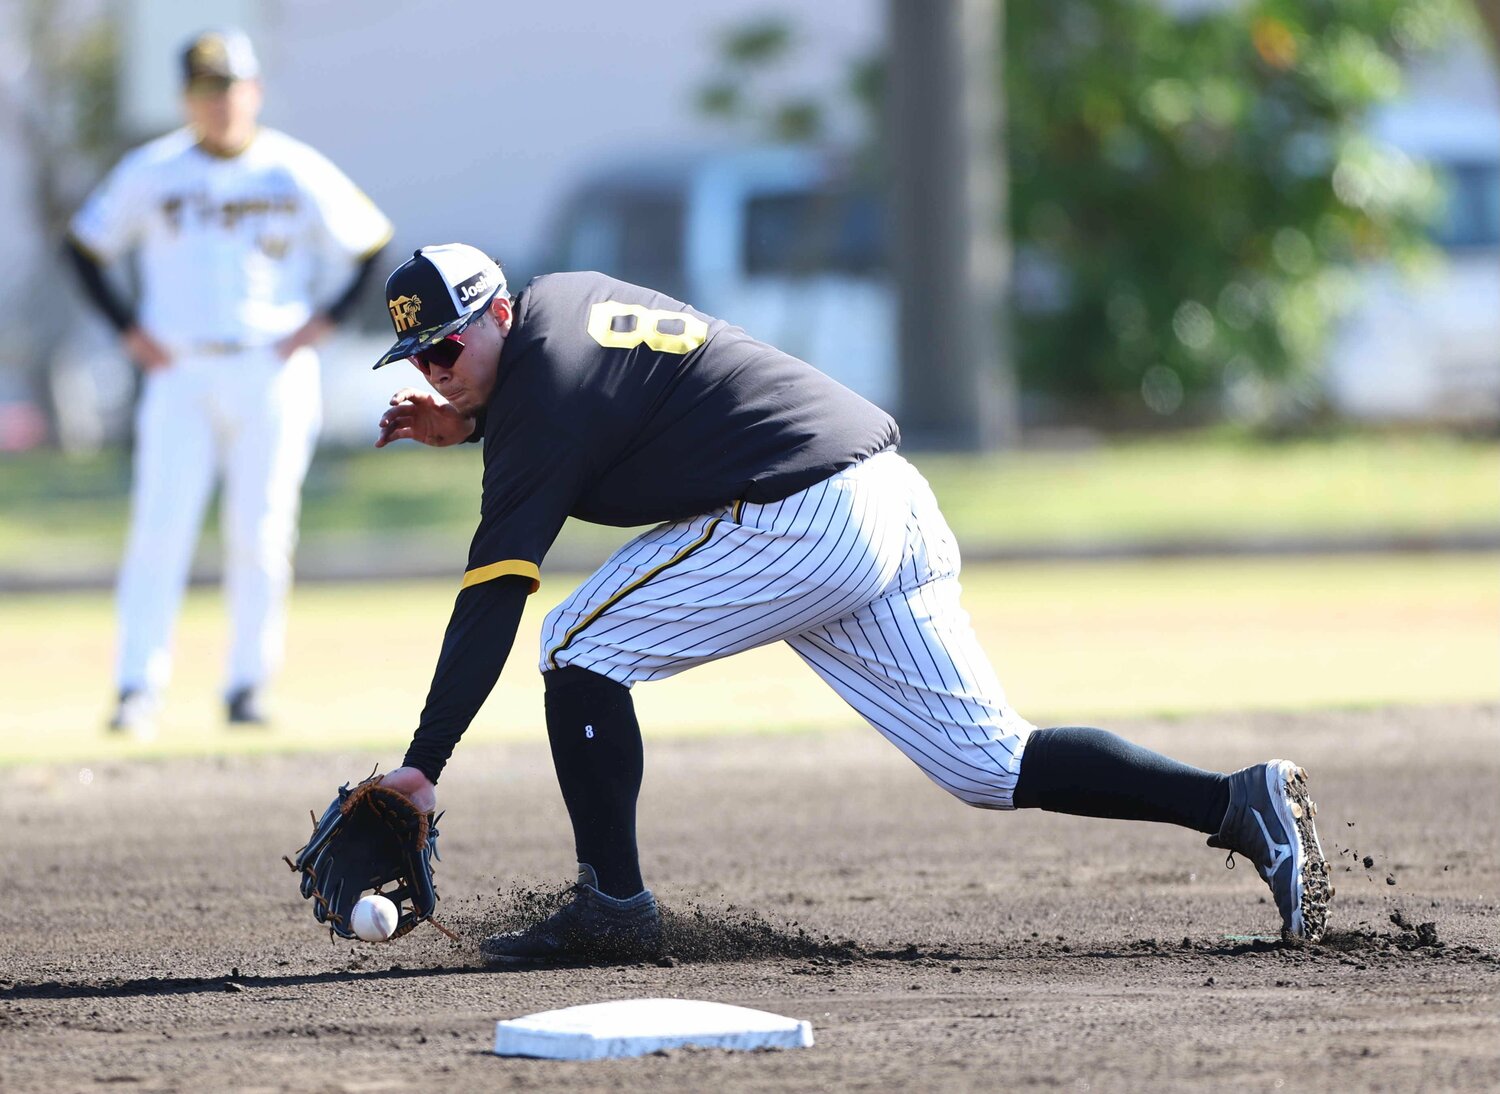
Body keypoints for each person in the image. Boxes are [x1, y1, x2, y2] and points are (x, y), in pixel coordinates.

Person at [369, 244, 1332, 964]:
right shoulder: (564, 305)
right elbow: (602, 401)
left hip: (802, 517)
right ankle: (1236, 803)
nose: (435, 369)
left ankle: (612, 907)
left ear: (498, 312)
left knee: (575, 642)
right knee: (989, 762)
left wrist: (425, 762)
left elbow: (494, 588)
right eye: (417, 358)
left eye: (447, 345)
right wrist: (474, 418)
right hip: (884, 498)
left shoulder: (538, 394)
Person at [65, 28, 393, 737]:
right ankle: (137, 686)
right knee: (160, 527)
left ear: (255, 91)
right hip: (179, 368)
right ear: (187, 99)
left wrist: (324, 323)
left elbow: (371, 242)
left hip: (270, 366)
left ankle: (247, 684)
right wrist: (127, 329)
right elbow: (85, 246)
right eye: (207, 89)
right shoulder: (153, 170)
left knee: (263, 530)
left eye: (231, 87)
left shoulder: (292, 167)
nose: (221, 102)